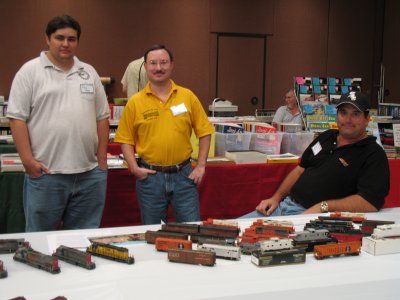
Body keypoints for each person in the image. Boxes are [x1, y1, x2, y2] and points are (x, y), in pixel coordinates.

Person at [6, 15, 110, 232]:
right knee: (39, 243)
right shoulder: (29, 72)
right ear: (47, 39)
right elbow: (17, 118)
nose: (65, 44)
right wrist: (27, 161)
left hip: (89, 175)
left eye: (71, 39)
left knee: (82, 241)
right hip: (46, 175)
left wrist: (101, 161)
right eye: (59, 38)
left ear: (78, 41)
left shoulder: (88, 72)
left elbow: (102, 117)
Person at [242, 91, 390, 217]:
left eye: (355, 114)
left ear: (367, 119)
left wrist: (323, 207)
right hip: (282, 207)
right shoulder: (327, 136)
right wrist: (276, 198)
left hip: (314, 219)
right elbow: (300, 170)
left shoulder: (373, 154)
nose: (348, 119)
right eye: (343, 113)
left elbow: (369, 202)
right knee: (231, 230)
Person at [114, 44, 214, 225]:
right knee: (153, 235)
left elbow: (205, 131)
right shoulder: (135, 102)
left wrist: (201, 166)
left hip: (184, 176)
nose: (158, 68)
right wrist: (134, 168)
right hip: (150, 179)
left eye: (163, 62)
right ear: (145, 67)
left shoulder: (187, 96)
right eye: (153, 63)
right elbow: (125, 139)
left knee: (192, 231)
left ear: (172, 65)